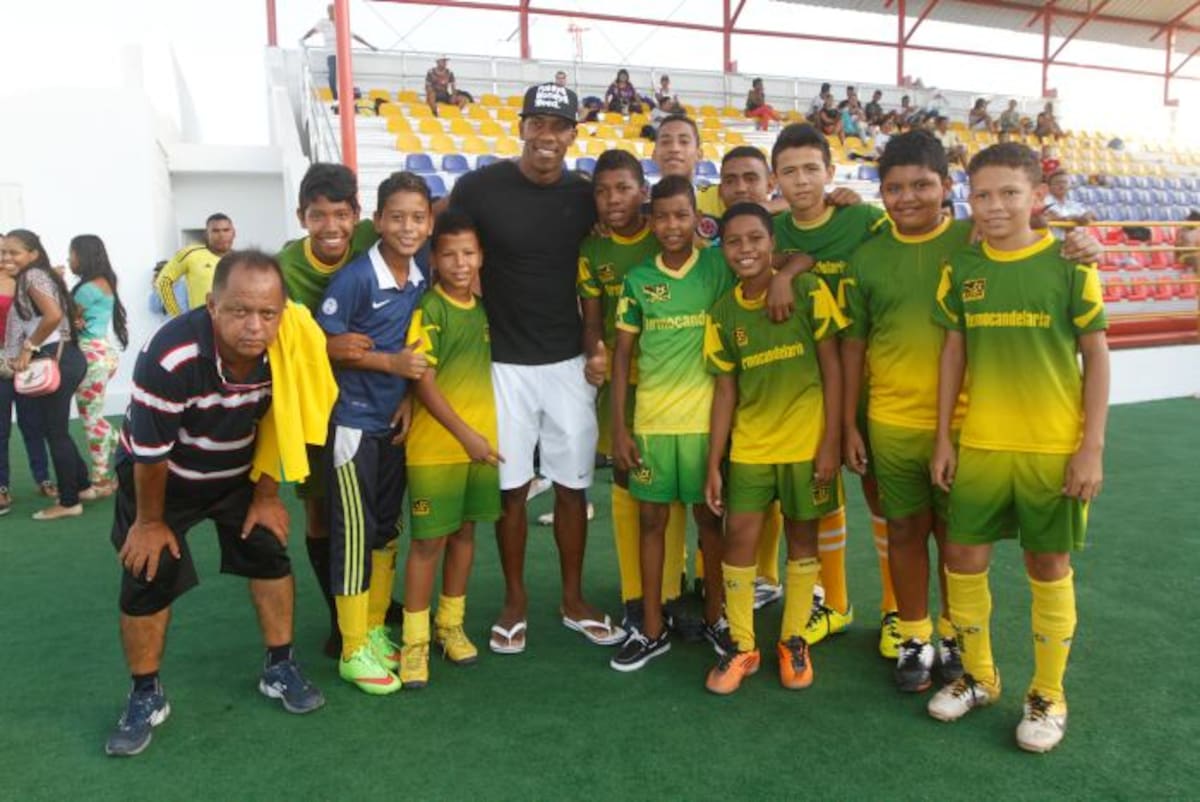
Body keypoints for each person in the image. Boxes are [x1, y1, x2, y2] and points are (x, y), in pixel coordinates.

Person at [103, 250, 325, 757]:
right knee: (146, 571)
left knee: (269, 551)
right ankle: (145, 694)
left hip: (237, 473)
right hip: (163, 478)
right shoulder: (171, 354)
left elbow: (282, 423)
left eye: (268, 314)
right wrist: (151, 522)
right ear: (211, 305)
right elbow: (152, 455)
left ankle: (280, 666)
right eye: (239, 311)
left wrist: (266, 495)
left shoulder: (288, 347)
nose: (254, 326)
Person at [928, 142, 1109, 754]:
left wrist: (1091, 448)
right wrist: (943, 437)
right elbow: (954, 352)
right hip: (980, 442)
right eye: (982, 194)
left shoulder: (1071, 264)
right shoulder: (962, 270)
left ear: (1038, 197)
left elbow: (1097, 355)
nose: (995, 205)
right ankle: (980, 676)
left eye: (1009, 193)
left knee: (1047, 564)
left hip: (1052, 448)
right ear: (968, 199)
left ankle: (1048, 693)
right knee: (962, 558)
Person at [446, 83, 620, 654]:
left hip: (569, 364)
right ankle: (515, 601)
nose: (547, 136)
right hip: (501, 366)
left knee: (573, 487)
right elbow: (435, 238)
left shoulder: (584, 195)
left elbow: (642, 221)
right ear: (520, 125)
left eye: (559, 125)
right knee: (511, 490)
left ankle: (573, 599)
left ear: (574, 133)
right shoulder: (478, 187)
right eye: (537, 122)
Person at [766, 123, 899, 656]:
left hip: (873, 383)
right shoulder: (771, 233)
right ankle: (837, 603)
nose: (801, 181)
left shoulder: (865, 219)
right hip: (807, 392)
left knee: (882, 496)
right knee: (823, 497)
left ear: (830, 171)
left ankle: (896, 611)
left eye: (810, 169)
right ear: (776, 178)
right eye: (790, 171)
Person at [702, 202, 846, 694]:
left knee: (802, 540)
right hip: (750, 448)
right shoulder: (722, 313)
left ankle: (793, 640)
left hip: (808, 445)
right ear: (723, 250)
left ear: (771, 245)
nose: (745, 250)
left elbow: (833, 370)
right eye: (735, 242)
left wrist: (832, 442)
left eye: (755, 240)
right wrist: (713, 464)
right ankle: (742, 645)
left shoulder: (807, 290)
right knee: (739, 537)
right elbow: (725, 391)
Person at [610, 176, 733, 672]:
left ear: (697, 217)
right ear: (650, 220)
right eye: (661, 216)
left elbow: (775, 261)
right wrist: (619, 429)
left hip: (705, 425)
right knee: (652, 522)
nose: (671, 226)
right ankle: (652, 627)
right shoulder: (638, 280)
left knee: (709, 521)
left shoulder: (718, 268)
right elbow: (621, 357)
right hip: (653, 424)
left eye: (681, 215)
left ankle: (716, 617)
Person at [316, 172, 431, 695]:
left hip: (390, 423)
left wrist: (406, 395)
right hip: (353, 425)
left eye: (418, 217)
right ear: (378, 221)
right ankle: (351, 647)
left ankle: (375, 629)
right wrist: (390, 364)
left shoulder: (419, 277)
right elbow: (327, 344)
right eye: (398, 217)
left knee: (385, 528)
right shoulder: (357, 278)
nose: (408, 227)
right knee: (355, 535)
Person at [577, 150, 689, 632]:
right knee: (627, 482)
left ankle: (672, 590)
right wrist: (595, 352)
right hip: (626, 387)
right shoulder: (593, 249)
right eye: (601, 191)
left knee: (675, 486)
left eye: (622, 188)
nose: (611, 199)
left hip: (679, 386)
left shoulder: (667, 232)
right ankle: (634, 593)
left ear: (643, 192)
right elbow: (593, 320)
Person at [278, 163, 381, 658]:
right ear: (302, 217)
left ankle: (373, 603)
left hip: (371, 399)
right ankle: (339, 619)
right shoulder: (283, 268)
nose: (331, 227)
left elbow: (435, 214)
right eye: (319, 216)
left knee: (373, 510)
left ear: (357, 215)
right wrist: (328, 347)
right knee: (321, 512)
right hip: (314, 408)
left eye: (341, 214)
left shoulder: (371, 237)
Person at [401, 210, 500, 688]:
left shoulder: (483, 309)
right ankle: (415, 642)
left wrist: (478, 440)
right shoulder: (430, 308)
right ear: (434, 260)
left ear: (480, 257)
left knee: (464, 535)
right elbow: (423, 380)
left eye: (468, 253)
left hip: (481, 448)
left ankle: (450, 626)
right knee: (427, 544)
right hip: (438, 448)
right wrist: (466, 435)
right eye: (449, 254)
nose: (460, 263)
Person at [1, 229, 93, 521]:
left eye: (14, 252)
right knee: (55, 429)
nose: (7, 257)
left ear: (33, 254)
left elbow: (52, 315)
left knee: (55, 433)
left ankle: (68, 502)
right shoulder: (41, 275)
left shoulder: (31, 276)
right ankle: (83, 487)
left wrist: (28, 347)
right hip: (66, 358)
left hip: (55, 359)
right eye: (4, 252)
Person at [68, 234, 128, 496]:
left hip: (90, 356)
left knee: (92, 420)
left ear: (84, 255)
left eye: (72, 254)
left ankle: (101, 481)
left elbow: (66, 318)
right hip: (103, 352)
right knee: (94, 418)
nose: (69, 260)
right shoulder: (106, 282)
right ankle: (129, 452)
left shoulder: (87, 288)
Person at [0, 242, 52, 514]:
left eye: (8, 251)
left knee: (33, 424)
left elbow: (49, 313)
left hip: (26, 359)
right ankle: (1, 487)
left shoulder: (25, 282)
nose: (5, 256)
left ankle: (43, 478)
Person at [154, 213, 235, 317]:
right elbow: (163, 281)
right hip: (203, 322)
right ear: (206, 234)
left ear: (233, 233)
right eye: (215, 231)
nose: (221, 235)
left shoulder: (240, 259)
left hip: (233, 324)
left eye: (226, 230)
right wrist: (177, 316)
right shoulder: (191, 254)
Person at [301, 4, 377, 101]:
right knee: (332, 77)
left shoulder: (341, 23)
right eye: (330, 10)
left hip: (342, 55)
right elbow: (312, 31)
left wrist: (370, 46)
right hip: (331, 54)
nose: (332, 12)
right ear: (328, 12)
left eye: (333, 10)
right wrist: (303, 38)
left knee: (345, 78)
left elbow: (355, 36)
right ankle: (335, 98)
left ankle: (347, 98)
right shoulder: (323, 22)